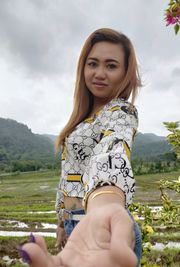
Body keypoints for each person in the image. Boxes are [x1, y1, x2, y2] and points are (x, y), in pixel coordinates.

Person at [20, 28, 142, 267]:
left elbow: (112, 150)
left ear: (125, 73)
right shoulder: (81, 121)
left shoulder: (121, 112)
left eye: (111, 66)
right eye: (93, 63)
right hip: (77, 228)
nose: (99, 73)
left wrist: (105, 202)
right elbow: (68, 176)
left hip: (103, 227)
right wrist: (62, 223)